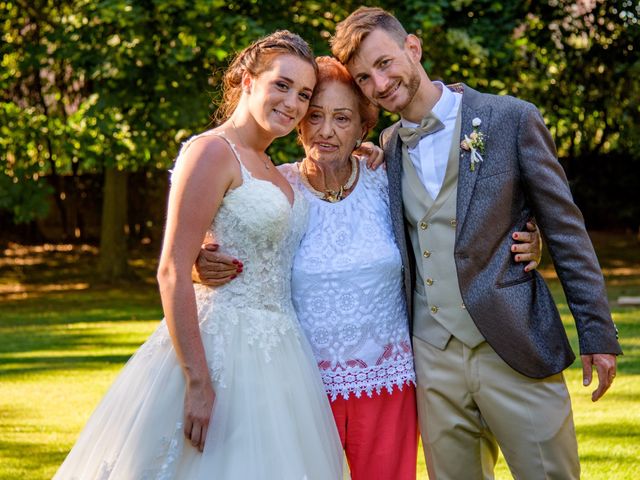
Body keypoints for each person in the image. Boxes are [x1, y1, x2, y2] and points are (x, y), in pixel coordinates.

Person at [193, 59, 542, 479]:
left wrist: (526, 237)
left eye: (342, 118)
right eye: (315, 116)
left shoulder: (387, 180)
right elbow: (241, 241)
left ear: (363, 128)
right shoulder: (280, 190)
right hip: (300, 384)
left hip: (388, 381)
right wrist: (199, 261)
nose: (326, 130)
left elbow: (457, 219)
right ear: (299, 125)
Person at [329, 7, 622, 480]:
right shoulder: (388, 146)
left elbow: (566, 229)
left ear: (413, 48)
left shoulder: (510, 119)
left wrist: (597, 333)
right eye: (364, 78)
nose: (379, 85)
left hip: (513, 341)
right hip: (431, 355)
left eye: (384, 64)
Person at [54, 31, 344, 479]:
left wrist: (362, 151)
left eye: (304, 94)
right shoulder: (211, 152)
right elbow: (171, 268)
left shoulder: (275, 168)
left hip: (282, 352)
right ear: (247, 81)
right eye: (282, 85)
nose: (293, 103)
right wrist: (198, 382)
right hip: (220, 348)